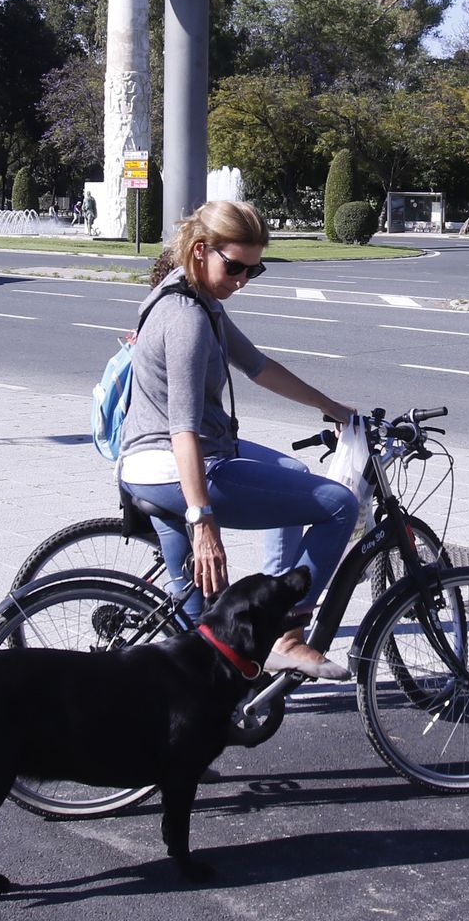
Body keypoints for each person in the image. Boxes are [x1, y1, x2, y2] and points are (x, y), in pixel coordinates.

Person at [119, 200, 359, 679]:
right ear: (202, 250)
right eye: (235, 267)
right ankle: (287, 635)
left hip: (155, 461)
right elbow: (182, 429)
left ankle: (209, 689)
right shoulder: (186, 319)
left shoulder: (196, 297)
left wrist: (331, 407)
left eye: (255, 269)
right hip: (176, 464)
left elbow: (258, 366)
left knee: (198, 622)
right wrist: (203, 519)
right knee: (340, 505)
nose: (243, 280)